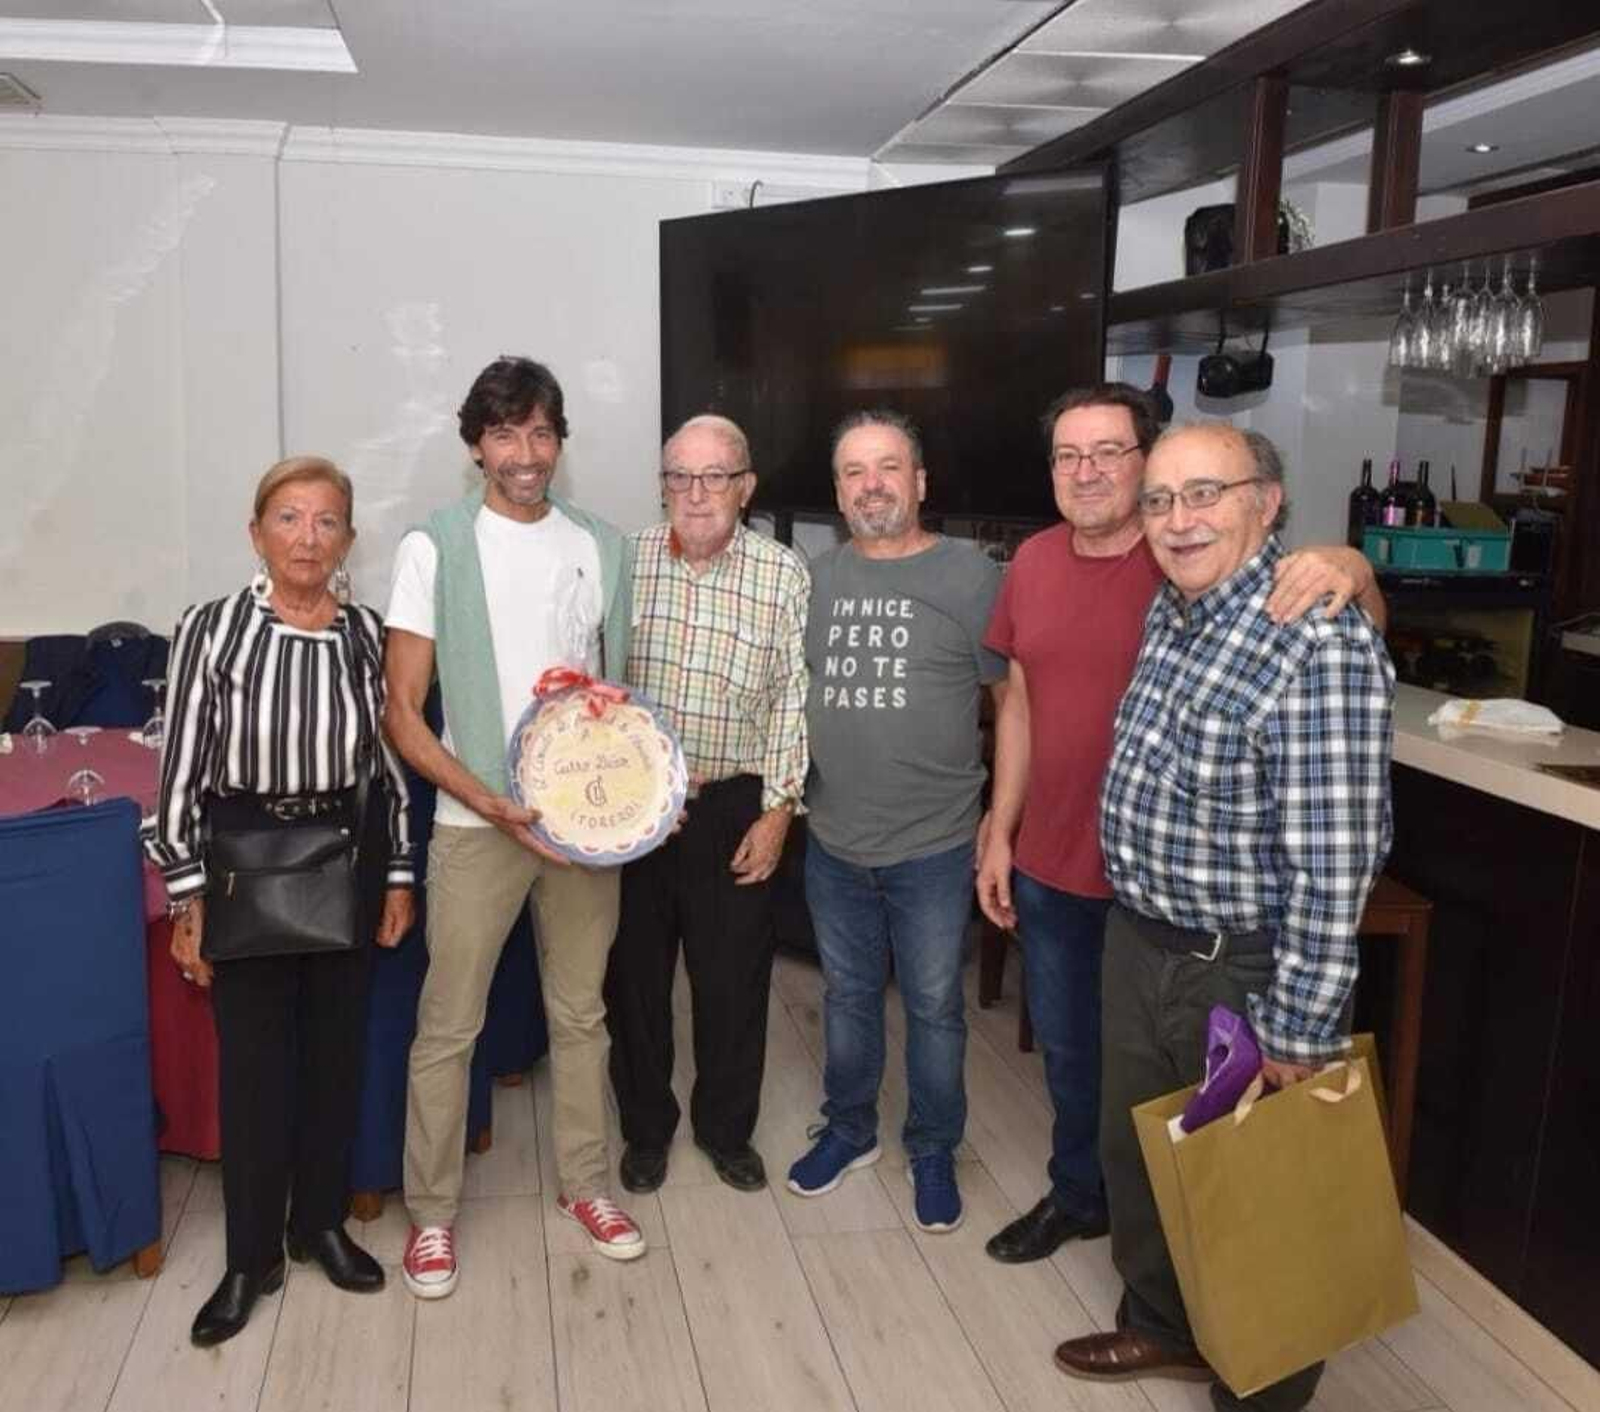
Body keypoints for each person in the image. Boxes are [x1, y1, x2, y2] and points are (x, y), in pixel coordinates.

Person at [976, 385, 1383, 1265]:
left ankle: (1231, 1317)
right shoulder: (1067, 572)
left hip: (1205, 924)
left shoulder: (1219, 577)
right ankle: (1086, 1201)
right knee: (1082, 1067)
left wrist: (1354, 567)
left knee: (1223, 1129)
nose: (1088, 473)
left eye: (1110, 455)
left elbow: (1350, 639)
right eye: (1067, 456)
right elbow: (1019, 703)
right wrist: (998, 829)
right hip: (1072, 875)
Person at [1052, 423, 1394, 1412]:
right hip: (1143, 939)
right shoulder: (1177, 609)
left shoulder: (1313, 636)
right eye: (1158, 500)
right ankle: (1161, 1326)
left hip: (1241, 970)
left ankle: (1263, 1384)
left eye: (1204, 493)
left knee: (1259, 1196)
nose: (1177, 518)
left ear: (1268, 500)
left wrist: (1300, 1024)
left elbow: (1334, 862)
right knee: (1145, 1153)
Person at [383, 356, 641, 1294]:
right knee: (449, 1026)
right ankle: (433, 1216)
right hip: (471, 824)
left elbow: (616, 688)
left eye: (540, 434)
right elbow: (403, 711)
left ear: (559, 443)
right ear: (475, 445)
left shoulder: (601, 545)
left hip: (580, 829)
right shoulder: (436, 547)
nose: (524, 454)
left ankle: (586, 1185)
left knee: (582, 1015)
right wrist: (485, 797)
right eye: (504, 435)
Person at [149, 455, 416, 1347]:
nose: (309, 537)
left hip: (346, 858)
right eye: (290, 519)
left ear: (349, 538)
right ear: (256, 531)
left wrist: (400, 873)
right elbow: (179, 770)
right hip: (245, 866)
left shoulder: (368, 634)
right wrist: (189, 897)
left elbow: (387, 770)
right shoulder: (213, 628)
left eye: (327, 521)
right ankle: (248, 1256)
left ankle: (320, 1228)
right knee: (256, 1071)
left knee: (336, 1059)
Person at [786, 409, 1006, 1233]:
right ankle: (849, 1131)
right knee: (845, 998)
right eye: (853, 471)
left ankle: (933, 1148)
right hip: (834, 838)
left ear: (920, 482)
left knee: (934, 1005)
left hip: (936, 845)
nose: (871, 484)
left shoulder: (972, 575)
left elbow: (1009, 703)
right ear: (838, 491)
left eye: (888, 467)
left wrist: (1001, 820)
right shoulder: (816, 577)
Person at [605, 414, 809, 1194]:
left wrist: (780, 808)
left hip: (733, 805)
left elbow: (796, 696)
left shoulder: (784, 574)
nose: (697, 493)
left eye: (715, 475)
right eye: (679, 477)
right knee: (634, 984)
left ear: (746, 487)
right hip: (635, 805)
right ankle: (646, 1130)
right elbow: (592, 681)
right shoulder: (623, 562)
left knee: (733, 983)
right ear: (663, 487)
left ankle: (727, 1130)